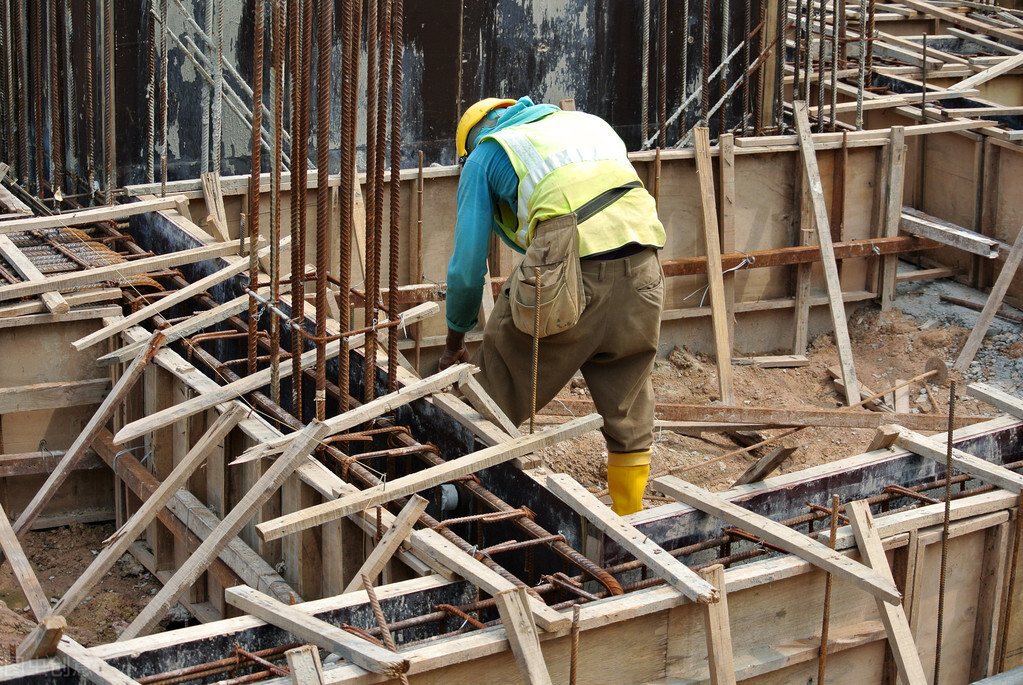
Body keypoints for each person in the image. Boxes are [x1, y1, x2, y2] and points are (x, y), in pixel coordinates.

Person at [439, 96, 666, 515]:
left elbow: (467, 268)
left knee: (492, 393)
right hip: (644, 263)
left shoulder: (487, 154)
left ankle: (462, 505)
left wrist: (455, 338)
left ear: (471, 140)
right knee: (629, 398)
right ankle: (629, 520)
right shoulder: (588, 121)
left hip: (564, 269)